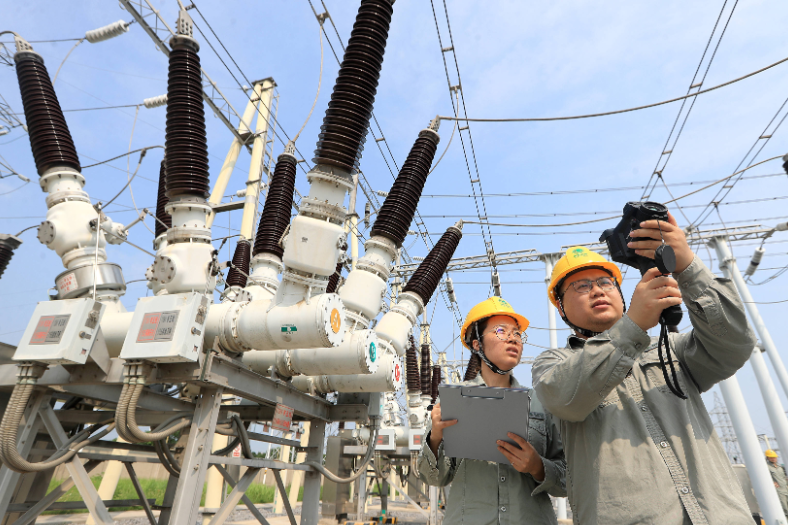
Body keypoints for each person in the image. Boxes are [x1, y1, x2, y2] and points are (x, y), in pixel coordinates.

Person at [532, 212, 757, 525]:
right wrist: (632, 326)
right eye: (581, 286)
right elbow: (563, 397)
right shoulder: (554, 364)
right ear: (560, 306)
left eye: (605, 282)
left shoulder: (672, 348)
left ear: (622, 294)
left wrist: (687, 265)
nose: (597, 290)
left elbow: (735, 342)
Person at [418, 297, 566, 525]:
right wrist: (435, 437)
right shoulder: (455, 401)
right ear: (477, 344)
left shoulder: (542, 403)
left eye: (517, 334)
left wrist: (538, 467)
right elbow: (433, 477)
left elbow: (568, 478)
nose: (513, 338)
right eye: (500, 331)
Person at [766, 449, 788, 517]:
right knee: (785, 509)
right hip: (778, 491)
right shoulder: (766, 467)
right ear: (767, 458)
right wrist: (772, 483)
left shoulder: (780, 467)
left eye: (774, 457)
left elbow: (784, 477)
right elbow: (765, 478)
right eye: (771, 457)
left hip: (785, 489)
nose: (773, 459)